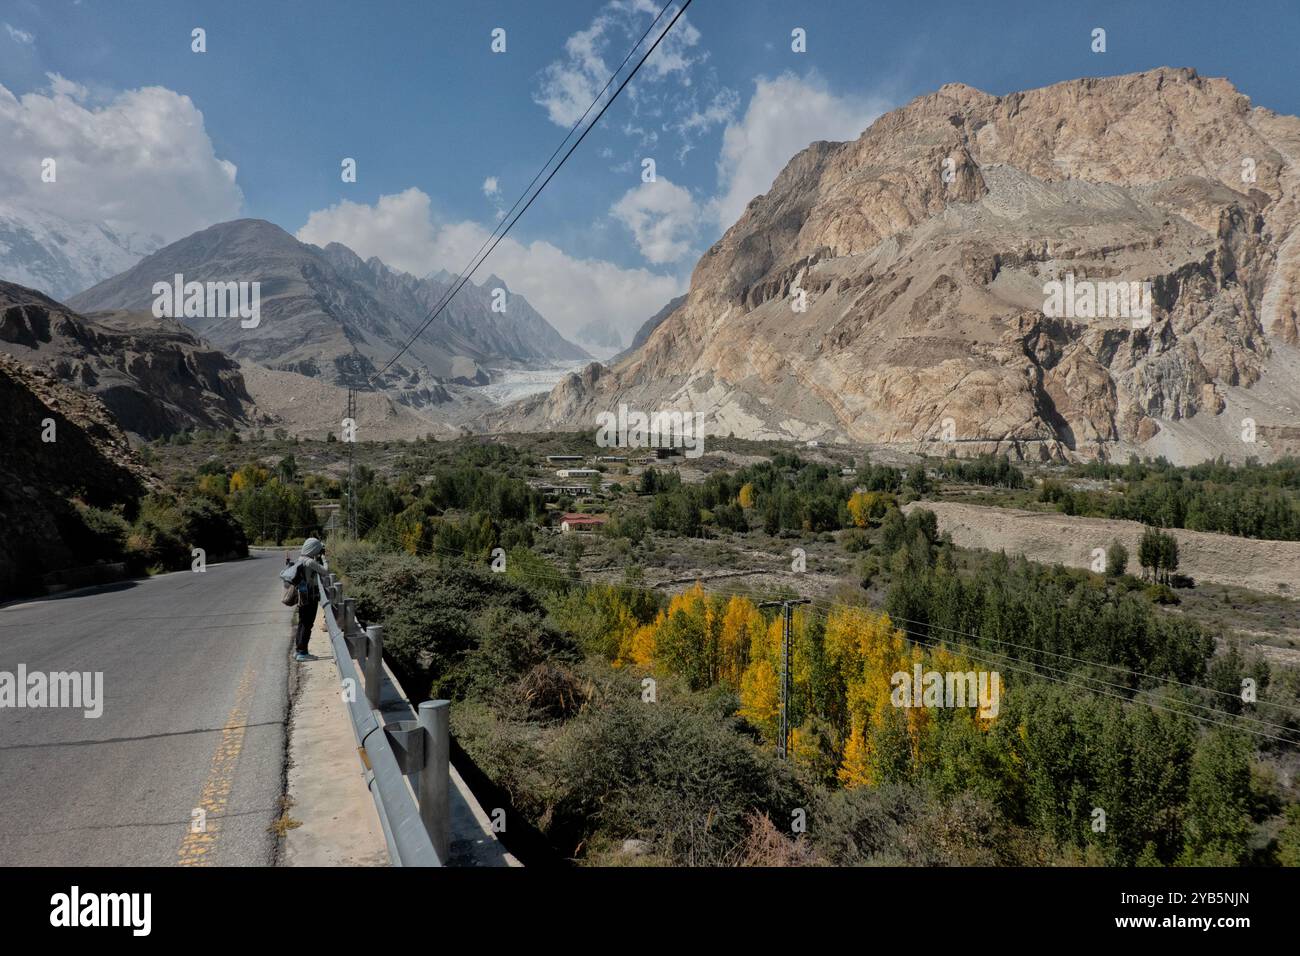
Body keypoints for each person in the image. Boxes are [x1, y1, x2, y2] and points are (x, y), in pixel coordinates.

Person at [280, 537, 327, 662]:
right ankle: (303, 652)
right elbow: (325, 571)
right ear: (313, 549)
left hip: (303, 597)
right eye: (318, 549)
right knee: (307, 624)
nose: (319, 551)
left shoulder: (300, 559)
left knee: (302, 623)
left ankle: (299, 651)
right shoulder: (310, 562)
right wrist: (323, 559)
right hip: (310, 597)